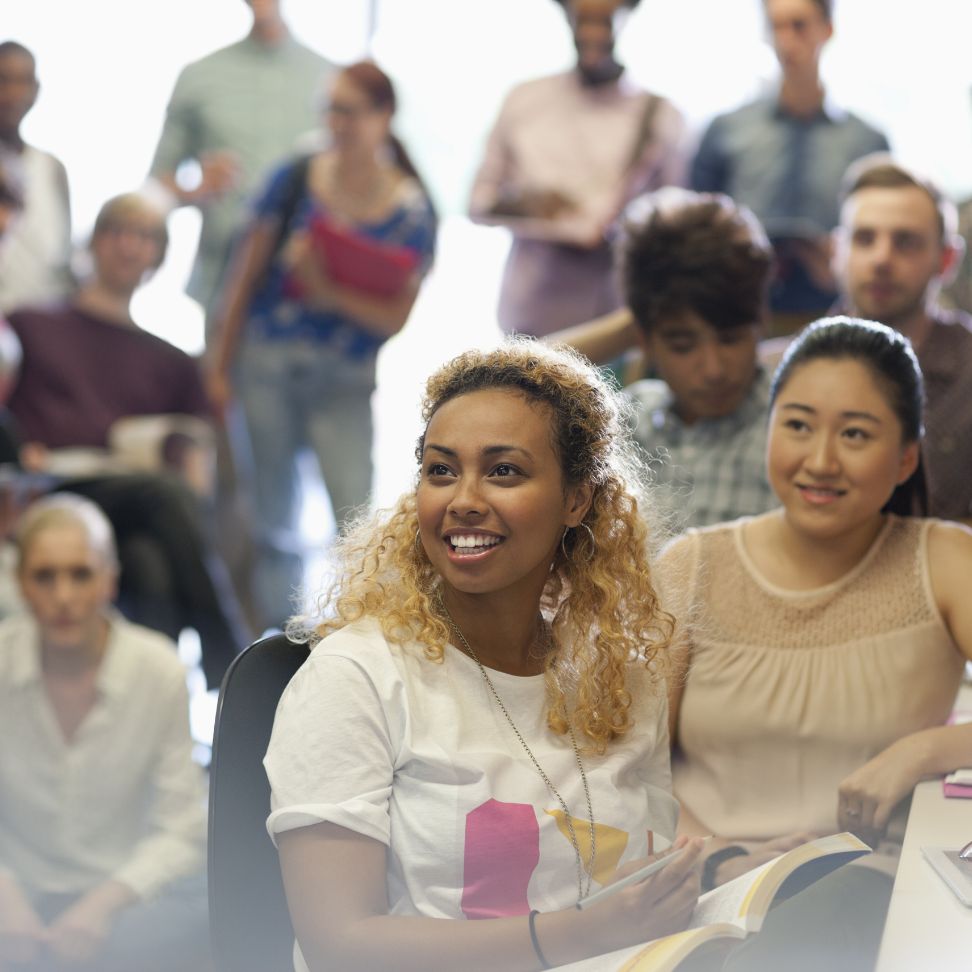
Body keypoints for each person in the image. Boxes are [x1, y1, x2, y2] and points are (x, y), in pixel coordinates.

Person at [263, 340, 706, 971]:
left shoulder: (620, 677)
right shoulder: (356, 676)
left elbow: (633, 879)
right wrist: (579, 934)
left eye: (504, 471)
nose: (463, 499)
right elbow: (342, 943)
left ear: (576, 500)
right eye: (441, 471)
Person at [660, 317, 972, 970]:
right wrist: (719, 855)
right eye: (798, 425)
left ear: (907, 456)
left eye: (855, 434)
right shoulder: (692, 567)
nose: (821, 460)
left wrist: (924, 749)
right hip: (696, 885)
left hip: (858, 891)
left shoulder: (942, 561)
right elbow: (622, 763)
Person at [210, 60, 438, 630]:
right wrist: (218, 362)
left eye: (348, 109)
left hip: (344, 376)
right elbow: (243, 275)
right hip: (265, 363)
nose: (335, 121)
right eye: (329, 108)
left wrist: (325, 289)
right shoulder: (294, 178)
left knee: (358, 521)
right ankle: (277, 646)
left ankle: (358, 640)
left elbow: (394, 317)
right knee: (273, 522)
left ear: (383, 116)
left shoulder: (411, 208)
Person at [1, 192, 252, 687]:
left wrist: (189, 473)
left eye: (145, 238)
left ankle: (144, 711)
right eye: (119, 232)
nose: (130, 247)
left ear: (158, 257)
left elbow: (193, 450)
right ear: (94, 243)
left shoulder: (172, 361)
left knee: (150, 562)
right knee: (164, 494)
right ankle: (232, 663)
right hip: (52, 483)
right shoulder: (31, 325)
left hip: (133, 498)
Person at [0, 493, 209, 972]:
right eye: (44, 576)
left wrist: (100, 908)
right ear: (20, 583)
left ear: (110, 579)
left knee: (208, 907)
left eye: (81, 574)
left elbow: (181, 827)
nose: (64, 597)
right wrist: (7, 902)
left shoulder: (158, 669)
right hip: (16, 885)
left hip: (125, 894)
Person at [469, 0, 685, 337]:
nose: (592, 32)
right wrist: (531, 205)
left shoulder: (658, 115)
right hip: (527, 318)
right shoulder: (525, 100)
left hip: (611, 321)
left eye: (605, 20)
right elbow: (479, 201)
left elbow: (671, 227)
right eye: (583, 18)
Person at [690, 0, 888, 331]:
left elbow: (884, 234)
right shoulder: (726, 130)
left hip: (839, 315)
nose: (785, 40)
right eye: (775, 26)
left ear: (827, 30)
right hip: (741, 315)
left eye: (798, 25)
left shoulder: (867, 141)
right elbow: (696, 226)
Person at [149, 0, 334, 332]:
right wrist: (196, 188)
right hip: (223, 278)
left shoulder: (331, 80)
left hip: (313, 291)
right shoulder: (201, 76)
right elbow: (157, 184)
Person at [618, 188, 779, 528]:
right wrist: (632, 317)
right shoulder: (625, 423)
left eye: (731, 339)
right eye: (682, 345)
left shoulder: (793, 432)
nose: (714, 370)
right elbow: (516, 381)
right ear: (645, 341)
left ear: (761, 324)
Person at [832, 155, 972, 523]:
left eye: (905, 242)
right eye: (864, 238)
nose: (881, 258)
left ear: (946, 259)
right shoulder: (785, 368)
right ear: (838, 250)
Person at [0, 41, 72, 314]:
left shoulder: (51, 169)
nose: (11, 94)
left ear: (35, 90)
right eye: (2, 80)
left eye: (22, 82)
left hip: (36, 324)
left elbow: (61, 259)